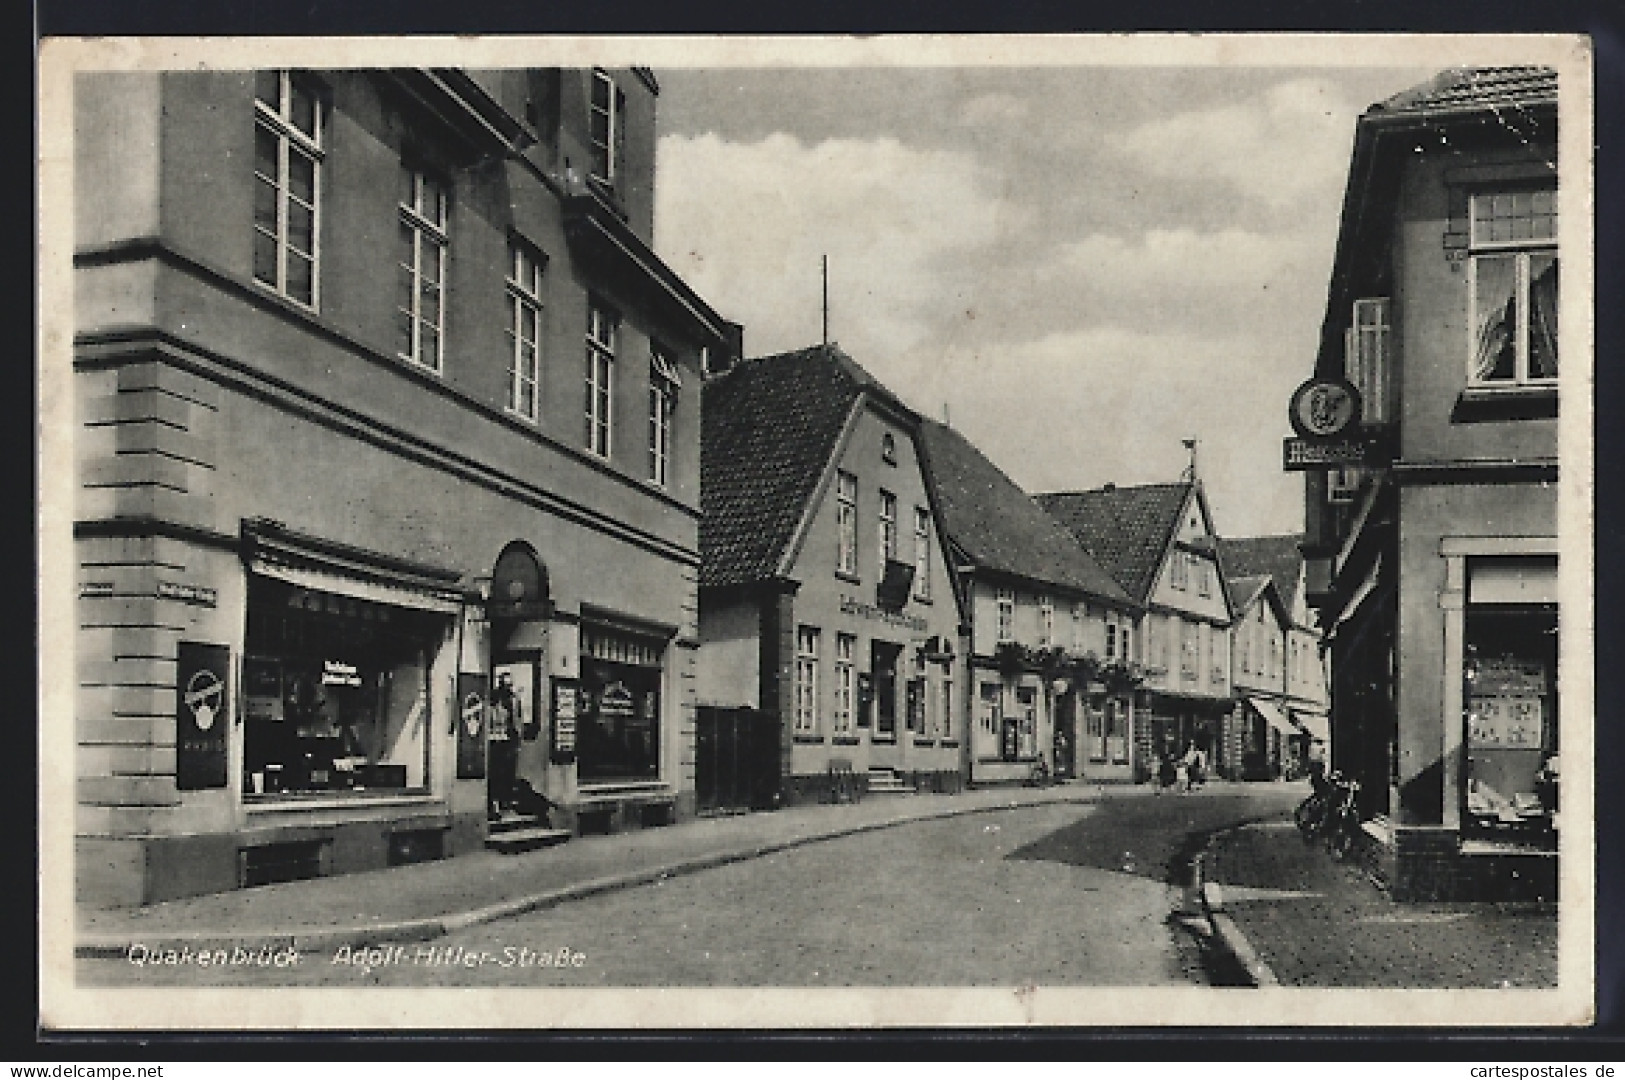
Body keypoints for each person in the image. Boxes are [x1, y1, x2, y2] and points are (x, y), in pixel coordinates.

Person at [488, 671, 522, 820]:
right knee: (496, 773)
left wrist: (517, 737)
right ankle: (495, 804)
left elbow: (517, 720)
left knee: (508, 772)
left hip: (509, 741)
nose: (508, 688)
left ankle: (505, 802)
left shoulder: (514, 700)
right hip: (496, 742)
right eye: (505, 685)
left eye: (510, 685)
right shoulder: (493, 700)